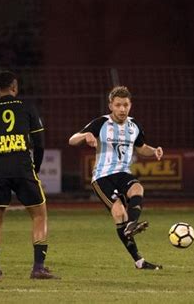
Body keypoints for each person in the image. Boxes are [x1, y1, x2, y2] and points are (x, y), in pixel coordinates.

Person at [0, 70, 60, 280]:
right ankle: (38, 268)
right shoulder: (27, 108)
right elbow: (39, 144)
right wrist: (35, 168)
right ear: (14, 87)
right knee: (39, 215)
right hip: (21, 166)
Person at [69, 86, 163, 270]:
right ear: (111, 105)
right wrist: (86, 135)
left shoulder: (134, 125)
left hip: (122, 173)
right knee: (119, 213)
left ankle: (132, 226)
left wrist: (154, 150)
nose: (122, 109)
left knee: (137, 189)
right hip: (102, 177)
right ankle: (139, 260)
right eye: (118, 105)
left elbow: (141, 147)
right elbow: (71, 139)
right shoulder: (101, 123)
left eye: (125, 105)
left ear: (130, 105)